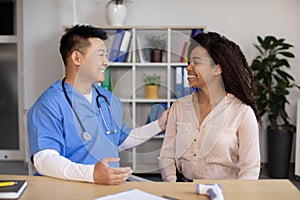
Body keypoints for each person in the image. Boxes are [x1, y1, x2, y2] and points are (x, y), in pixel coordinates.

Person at [27, 24, 169, 185]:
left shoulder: (108, 99)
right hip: (71, 190)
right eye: (100, 55)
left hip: (109, 187)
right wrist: (91, 174)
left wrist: (158, 125)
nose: (106, 62)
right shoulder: (48, 105)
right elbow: (44, 160)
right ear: (76, 58)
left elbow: (120, 140)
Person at [159, 32, 261, 182]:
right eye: (188, 62)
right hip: (182, 190)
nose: (188, 68)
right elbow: (166, 155)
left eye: (196, 62)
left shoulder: (242, 112)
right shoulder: (179, 107)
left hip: (226, 193)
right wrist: (172, 183)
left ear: (217, 69)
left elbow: (250, 169)